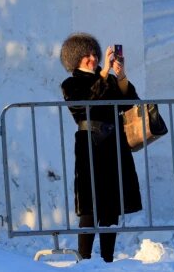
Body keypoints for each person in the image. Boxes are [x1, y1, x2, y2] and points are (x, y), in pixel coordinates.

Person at [60, 32, 142, 262]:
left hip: (114, 143)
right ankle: (84, 256)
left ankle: (108, 257)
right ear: (75, 59)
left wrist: (120, 73)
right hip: (90, 144)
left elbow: (131, 102)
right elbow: (87, 102)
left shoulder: (110, 79)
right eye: (86, 55)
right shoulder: (71, 84)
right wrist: (105, 72)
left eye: (94, 54)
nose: (93, 58)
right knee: (89, 202)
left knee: (111, 202)